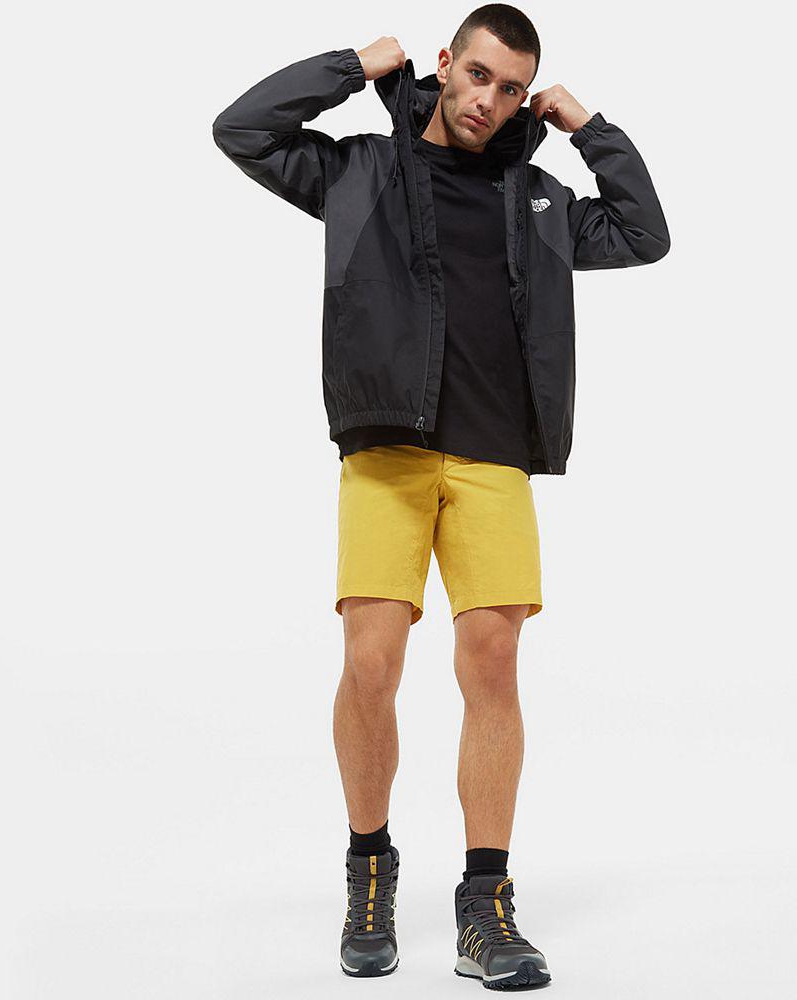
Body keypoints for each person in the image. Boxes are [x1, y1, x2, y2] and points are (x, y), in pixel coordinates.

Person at [212, 3, 669, 988]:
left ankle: (485, 904)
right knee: (370, 663)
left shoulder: (537, 199)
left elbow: (643, 233)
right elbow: (241, 129)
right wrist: (350, 65)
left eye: (511, 89)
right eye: (478, 76)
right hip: (387, 448)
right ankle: (369, 869)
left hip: (493, 456)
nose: (489, 100)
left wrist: (589, 128)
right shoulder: (359, 173)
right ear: (444, 65)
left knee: (493, 661)